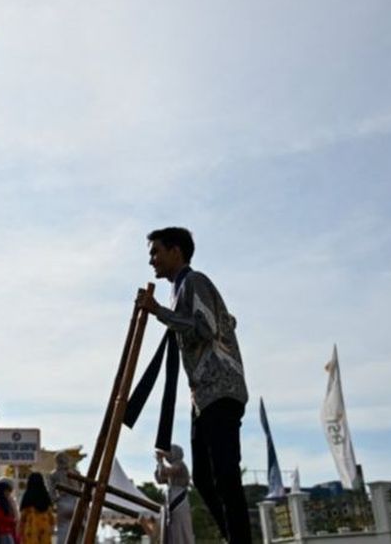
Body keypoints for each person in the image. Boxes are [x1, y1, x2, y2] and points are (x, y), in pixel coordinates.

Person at [139, 227, 250, 544]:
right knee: (203, 475)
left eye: (156, 252)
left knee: (226, 473)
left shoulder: (194, 280)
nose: (152, 260)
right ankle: (233, 536)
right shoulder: (179, 289)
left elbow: (206, 327)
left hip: (221, 388)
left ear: (176, 251)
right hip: (203, 394)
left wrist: (158, 311)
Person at [156, 445, 196, 544]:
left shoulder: (180, 464)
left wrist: (161, 461)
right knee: (173, 528)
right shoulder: (175, 465)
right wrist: (159, 464)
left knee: (180, 527)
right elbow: (160, 479)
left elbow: (165, 473)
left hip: (179, 497)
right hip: (172, 497)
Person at [48, 454, 79, 544]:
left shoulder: (53, 474)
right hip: (76, 502)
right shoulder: (75, 472)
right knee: (78, 529)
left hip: (63, 503)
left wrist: (55, 502)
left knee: (62, 530)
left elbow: (51, 493)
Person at [19, 473, 53, 544]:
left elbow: (22, 517)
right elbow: (51, 517)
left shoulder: (27, 496)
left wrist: (20, 531)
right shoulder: (45, 496)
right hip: (44, 528)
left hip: (31, 529)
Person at [0, 479, 19, 544]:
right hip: (3, 532)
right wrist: (12, 520)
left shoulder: (8, 502)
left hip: (10, 530)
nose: (8, 493)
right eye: (7, 491)